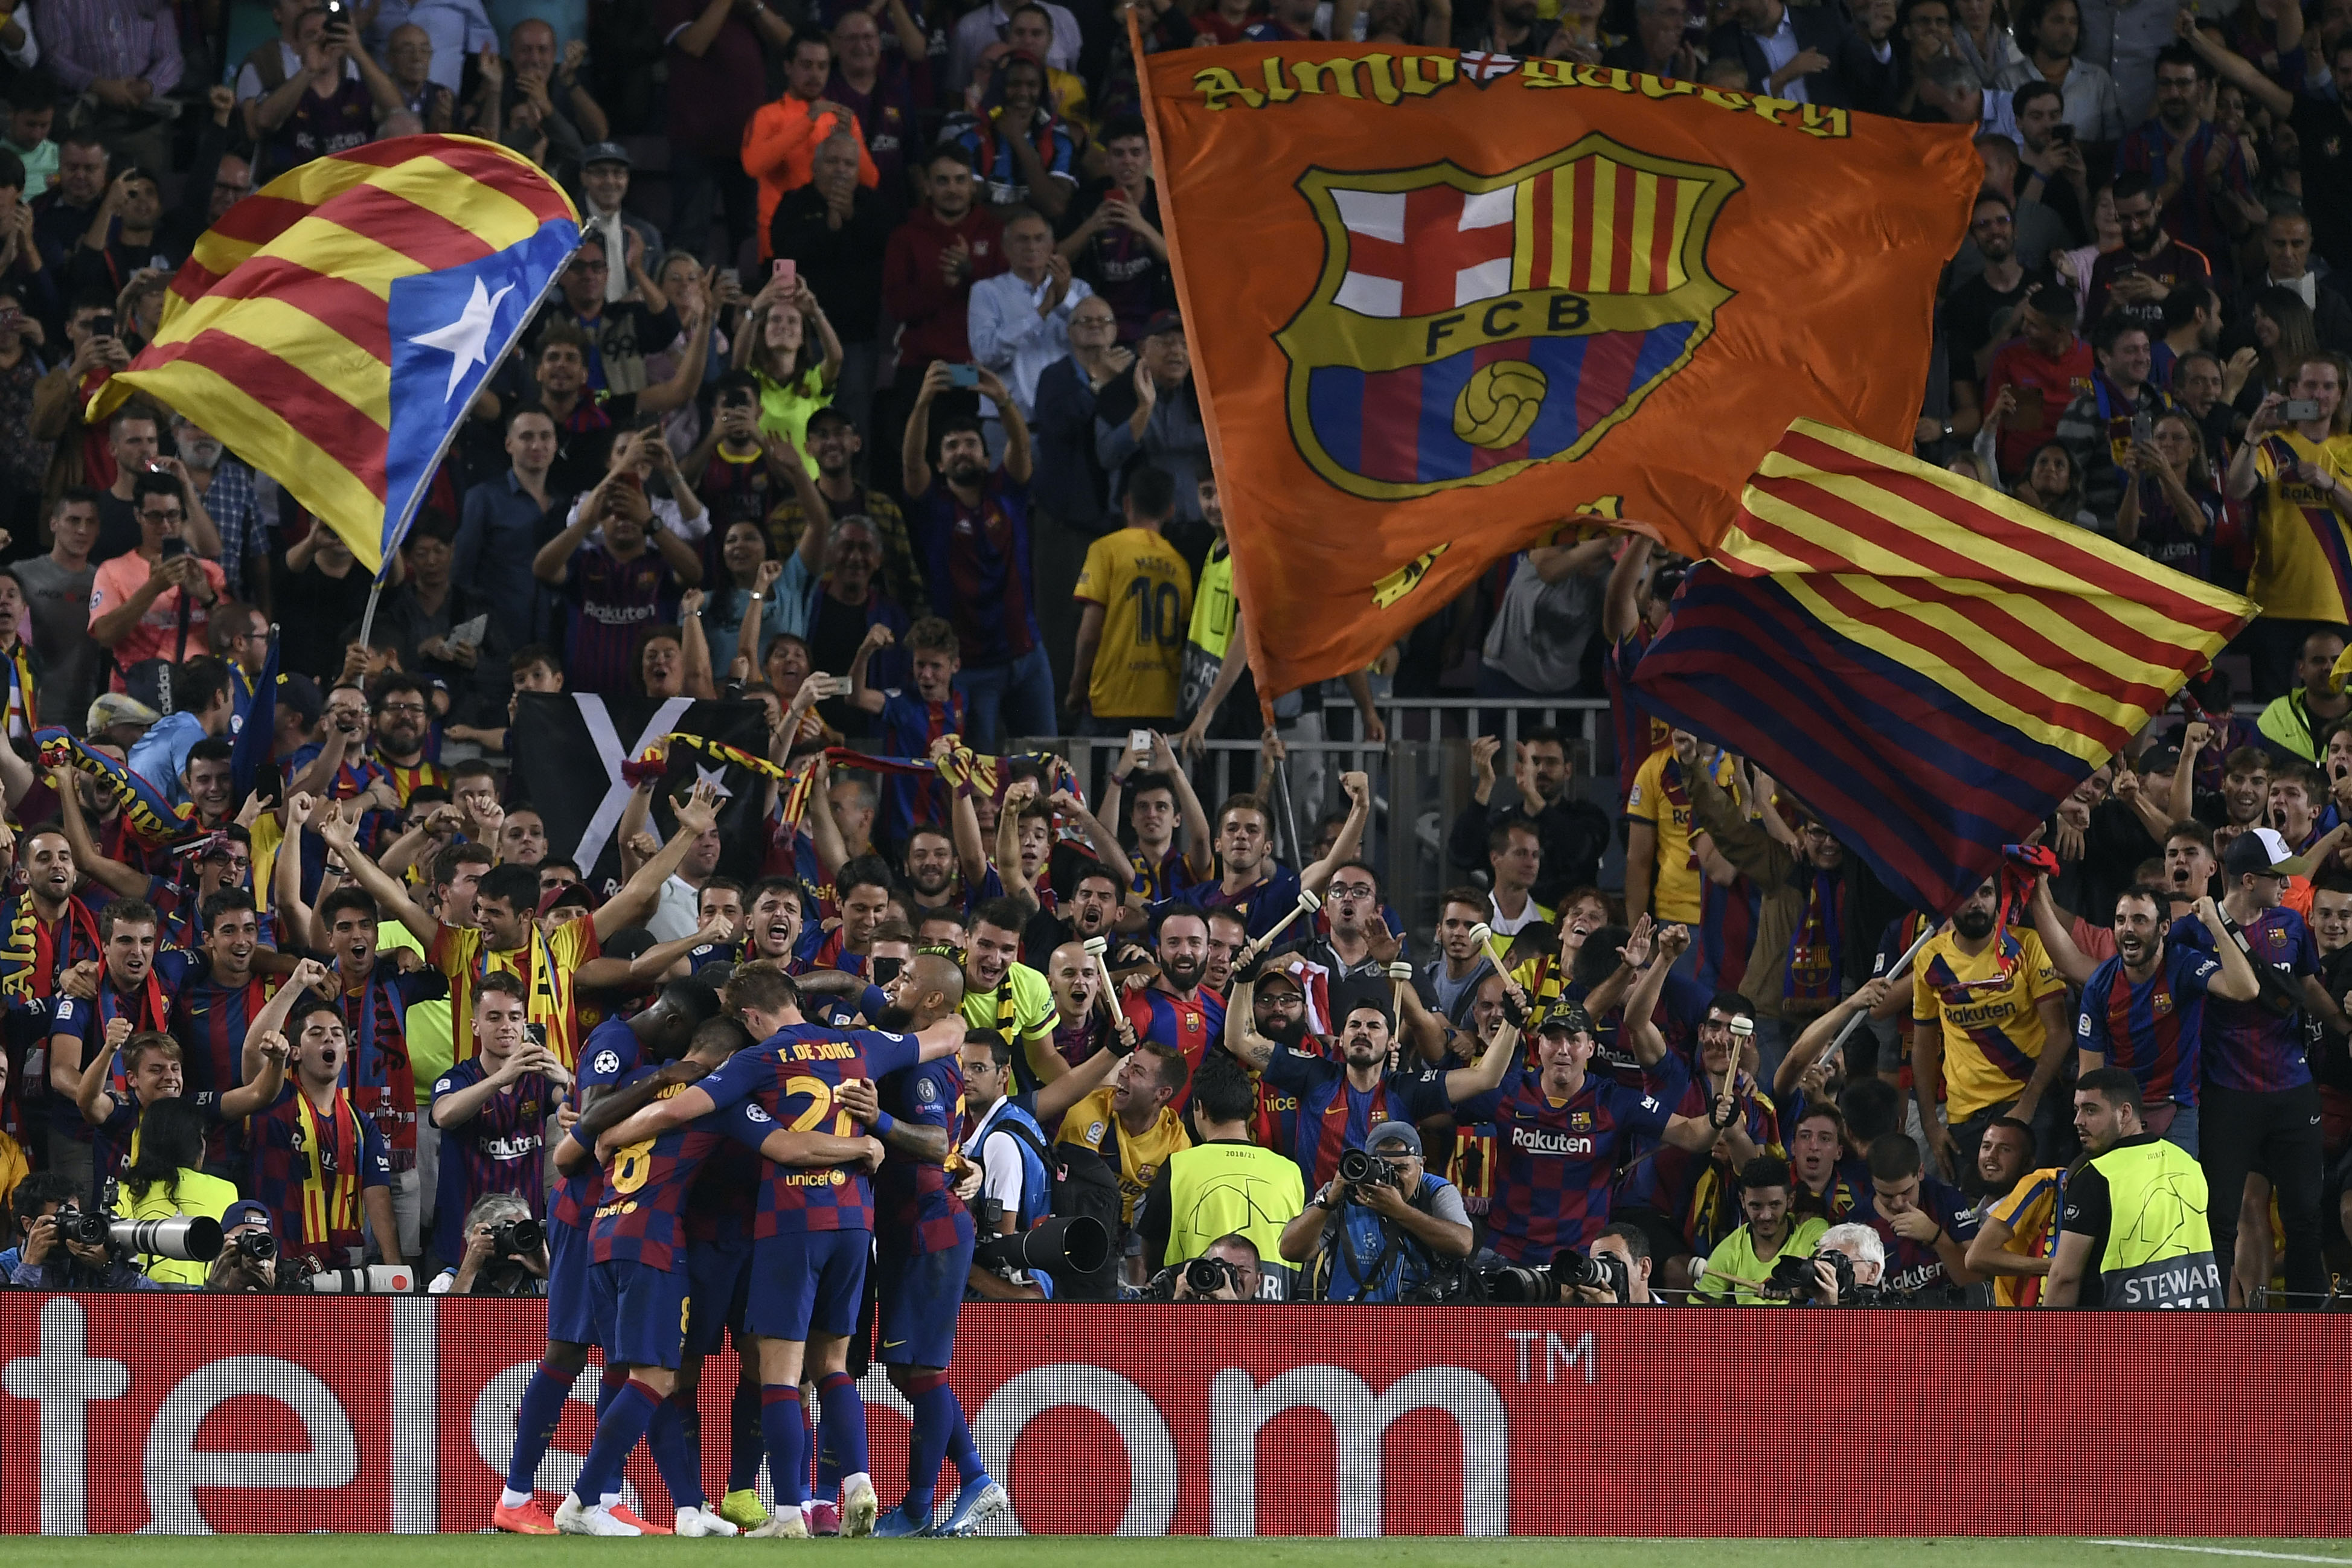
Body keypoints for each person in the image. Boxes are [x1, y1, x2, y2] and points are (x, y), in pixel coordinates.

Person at [593, 961, 963, 1539]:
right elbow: (951, 1031)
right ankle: (857, 1481)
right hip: (854, 1224)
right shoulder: (860, 1045)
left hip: (791, 1223)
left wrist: (612, 1135)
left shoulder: (755, 1059)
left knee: (781, 1374)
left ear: (750, 1016)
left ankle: (789, 1512)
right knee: (834, 1364)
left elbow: (677, 1108)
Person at [2170, 830, 2346, 1302]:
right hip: (2229, 1094)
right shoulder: (2190, 931)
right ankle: (2218, 1330)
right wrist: (2212, 925)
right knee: (2221, 1218)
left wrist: (2344, 1026)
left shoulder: (2290, 924)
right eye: (2279, 877)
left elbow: (2307, 988)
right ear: (2249, 880)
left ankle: (2310, 1332)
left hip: (2293, 1091)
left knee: (2303, 1216)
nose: (2289, 885)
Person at [902, 357, 1049, 748]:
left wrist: (1002, 399)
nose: (962, 451)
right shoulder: (933, 507)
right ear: (940, 462)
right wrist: (922, 403)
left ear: (987, 456)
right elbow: (911, 463)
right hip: (970, 666)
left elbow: (1020, 445)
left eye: (971, 444)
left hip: (1027, 656)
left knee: (1043, 760)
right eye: (951, 446)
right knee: (975, 771)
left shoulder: (1008, 493)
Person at [1911, 875, 2071, 1179]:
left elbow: (2060, 1033)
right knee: (1976, 1219)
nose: (1977, 903)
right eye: (1966, 895)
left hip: (2032, 1105)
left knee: (2034, 1214)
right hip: (1966, 1116)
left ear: (1999, 898)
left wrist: (2027, 1105)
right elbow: (1924, 1046)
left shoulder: (2027, 944)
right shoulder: (1930, 959)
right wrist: (1931, 1124)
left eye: (1986, 893)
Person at [2225, 359, 2352, 700]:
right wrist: (2253, 431)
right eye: (2310, 386)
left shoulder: (2349, 448)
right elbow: (2236, 490)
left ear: (2341, 394)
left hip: (2339, 604)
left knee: (2339, 712)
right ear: (2292, 391)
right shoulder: (2272, 445)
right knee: (2273, 714)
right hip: (2275, 604)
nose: (2319, 395)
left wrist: (2332, 486)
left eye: (2328, 387)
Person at [247, 994, 402, 1273]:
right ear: (295, 1052)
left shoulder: (362, 1126)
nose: (329, 1039)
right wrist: (296, 985)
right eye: (316, 1033)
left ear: (345, 1053)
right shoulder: (272, 1100)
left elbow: (378, 1199)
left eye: (337, 1034)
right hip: (272, 1262)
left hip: (336, 1268)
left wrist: (396, 1271)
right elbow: (252, 1053)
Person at [2045, 1067, 2220, 1307]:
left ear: (2125, 1112)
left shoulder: (2096, 1176)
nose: (2078, 1121)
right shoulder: (2188, 1164)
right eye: (2077, 1110)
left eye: (2091, 1110)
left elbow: (2064, 1277)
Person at [428, 971, 569, 1268]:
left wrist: (568, 1080)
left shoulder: (539, 1080)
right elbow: (443, 1115)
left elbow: (583, 1107)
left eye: (514, 1017)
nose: (506, 1027)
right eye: (494, 1017)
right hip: (463, 1244)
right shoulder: (458, 1078)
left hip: (523, 1240)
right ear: (475, 1026)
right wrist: (502, 1078)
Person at [1142, 1049, 1305, 1297]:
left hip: (1197, 1308)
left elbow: (1152, 1250)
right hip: (1274, 1318)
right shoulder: (1290, 1172)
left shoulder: (1178, 1167)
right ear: (1249, 1111)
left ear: (1200, 1109)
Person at [1277, 1117, 1472, 1303]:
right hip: (1348, 1317)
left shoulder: (1435, 1191)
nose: (1392, 1178)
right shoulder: (1346, 1191)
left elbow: (1463, 1244)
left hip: (1415, 1317)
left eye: (1401, 1169)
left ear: (1421, 1164)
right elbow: (1290, 1251)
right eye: (1382, 1167)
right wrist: (1329, 1202)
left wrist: (1401, 1212)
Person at [1069, 463, 1190, 735]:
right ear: (1170, 511)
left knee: (1103, 777)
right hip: (1163, 706)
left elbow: (1089, 636)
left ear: (1126, 503)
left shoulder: (1106, 551)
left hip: (1112, 704)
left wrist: (1076, 689)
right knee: (1152, 779)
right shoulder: (1179, 563)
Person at [745, 31, 877, 261]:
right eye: (807, 65)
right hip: (781, 241)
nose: (815, 74)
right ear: (788, 67)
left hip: (836, 240)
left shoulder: (841, 117)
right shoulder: (768, 116)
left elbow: (870, 181)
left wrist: (852, 136)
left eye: (822, 66)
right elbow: (753, 166)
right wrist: (806, 123)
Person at [88, 470, 225, 679]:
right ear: (138, 516)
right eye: (154, 516)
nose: (165, 526)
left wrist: (207, 597)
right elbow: (105, 635)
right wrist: (154, 587)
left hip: (199, 695)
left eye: (172, 515)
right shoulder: (112, 571)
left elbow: (234, 638)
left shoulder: (208, 571)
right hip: (137, 696)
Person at [968, 204, 1089, 422]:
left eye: (1039, 238)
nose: (1032, 246)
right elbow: (985, 355)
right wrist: (1039, 314)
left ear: (1052, 246)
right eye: (1022, 240)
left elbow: (1094, 342)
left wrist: (1064, 302)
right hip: (1005, 421)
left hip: (1068, 420)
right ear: (1005, 248)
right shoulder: (986, 292)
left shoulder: (1079, 290)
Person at [2053, 315, 2168, 526]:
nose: (2142, 358)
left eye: (2145, 349)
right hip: (2104, 534)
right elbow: (2064, 484)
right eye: (2131, 350)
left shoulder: (2162, 405)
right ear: (2105, 356)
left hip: (2158, 531)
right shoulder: (2084, 410)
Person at [1691, 1154, 1832, 1304]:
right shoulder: (1729, 1250)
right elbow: (1696, 1316)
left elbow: (1829, 1271)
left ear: (1790, 1200)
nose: (1765, 1216)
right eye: (1756, 1206)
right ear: (1743, 1201)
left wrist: (1796, 1288)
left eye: (1774, 1205)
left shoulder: (1813, 1229)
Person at [1961, 1117, 2068, 1305]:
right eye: (1986, 1146)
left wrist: (2054, 1266)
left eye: (2005, 1149)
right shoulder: (1966, 1214)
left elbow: (1977, 1258)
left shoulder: (2043, 1196)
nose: (1991, 1156)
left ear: (2028, 1163)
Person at [431, 1191, 552, 1296]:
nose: (517, 1242)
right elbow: (447, 1321)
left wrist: (551, 1273)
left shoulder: (540, 1283)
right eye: (508, 1232)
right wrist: (469, 1270)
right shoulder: (447, 1281)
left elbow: (568, 1317)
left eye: (522, 1232)